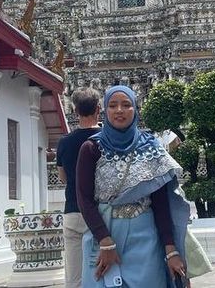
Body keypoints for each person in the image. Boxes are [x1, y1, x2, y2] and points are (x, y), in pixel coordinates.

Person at [76, 85, 189, 288]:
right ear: (104, 110)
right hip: (104, 235)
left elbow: (161, 203)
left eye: (126, 105)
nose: (119, 110)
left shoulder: (150, 147)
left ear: (135, 109)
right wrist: (105, 241)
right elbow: (84, 198)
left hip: (146, 240)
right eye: (113, 105)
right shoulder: (91, 148)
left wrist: (171, 251)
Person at [57, 87, 101, 288]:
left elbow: (63, 177)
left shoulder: (65, 142)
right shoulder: (107, 139)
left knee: (74, 278)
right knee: (102, 272)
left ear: (75, 111)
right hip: (101, 212)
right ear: (98, 109)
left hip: (73, 210)